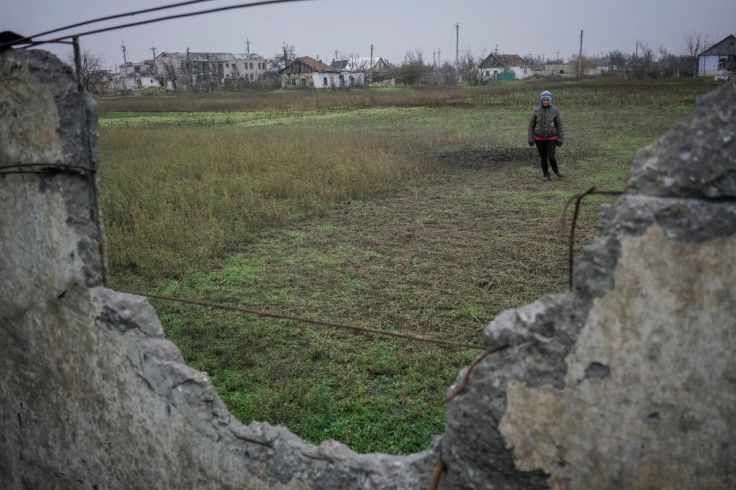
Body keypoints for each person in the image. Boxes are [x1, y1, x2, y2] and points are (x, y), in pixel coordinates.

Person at [528, 90, 564, 182]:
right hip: (539, 138)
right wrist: (530, 138)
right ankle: (546, 175)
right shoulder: (536, 110)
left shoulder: (555, 110)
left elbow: (559, 125)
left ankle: (556, 170)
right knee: (543, 157)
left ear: (550, 100)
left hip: (551, 137)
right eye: (543, 100)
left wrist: (560, 138)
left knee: (551, 156)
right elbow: (531, 125)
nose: (545, 101)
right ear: (541, 100)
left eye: (546, 100)